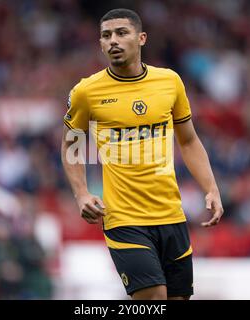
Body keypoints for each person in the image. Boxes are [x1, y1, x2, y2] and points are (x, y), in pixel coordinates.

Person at [61, 8, 224, 300]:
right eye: (106, 35)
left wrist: (210, 187)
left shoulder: (170, 82)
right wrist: (82, 194)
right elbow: (72, 143)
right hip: (125, 220)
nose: (113, 40)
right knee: (152, 299)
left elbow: (188, 141)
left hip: (171, 216)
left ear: (141, 38)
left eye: (121, 33)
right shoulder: (87, 91)